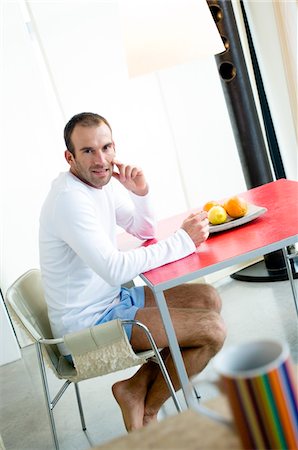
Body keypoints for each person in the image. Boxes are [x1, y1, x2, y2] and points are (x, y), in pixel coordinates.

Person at [39, 112, 226, 432]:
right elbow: (114, 269)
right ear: (70, 157)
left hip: (113, 301)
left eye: (107, 147)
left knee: (207, 298)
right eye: (88, 151)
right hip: (85, 326)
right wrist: (183, 241)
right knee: (212, 331)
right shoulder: (69, 200)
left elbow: (144, 229)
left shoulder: (101, 183)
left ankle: (135, 388)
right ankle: (149, 409)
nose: (101, 160)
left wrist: (140, 193)